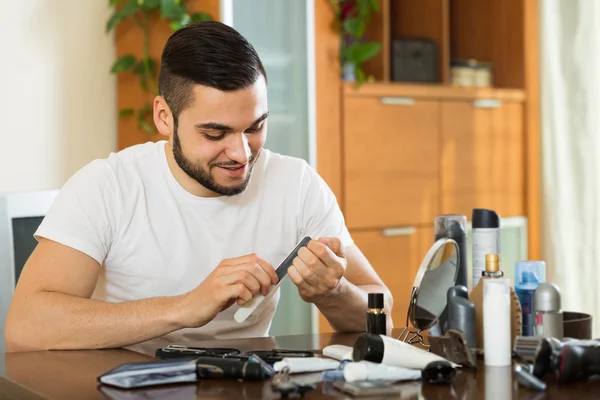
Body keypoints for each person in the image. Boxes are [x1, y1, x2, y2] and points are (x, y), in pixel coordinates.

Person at [4, 21, 392, 352]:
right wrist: (184, 307)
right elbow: (25, 326)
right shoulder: (108, 186)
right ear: (164, 117)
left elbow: (383, 313)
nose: (241, 153)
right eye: (214, 133)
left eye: (255, 127)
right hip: (129, 386)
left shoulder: (297, 185)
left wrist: (333, 291)